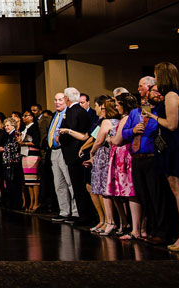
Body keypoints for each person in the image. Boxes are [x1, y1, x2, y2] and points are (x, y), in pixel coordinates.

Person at [146, 62, 179, 252]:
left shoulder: (172, 95)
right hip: (169, 145)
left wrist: (153, 117)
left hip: (174, 145)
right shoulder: (170, 95)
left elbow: (172, 124)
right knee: (176, 190)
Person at [119, 77, 167, 245]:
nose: (144, 101)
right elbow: (124, 133)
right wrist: (132, 130)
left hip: (152, 157)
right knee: (143, 196)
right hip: (136, 158)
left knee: (156, 195)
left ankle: (161, 230)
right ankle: (150, 228)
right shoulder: (134, 113)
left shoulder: (159, 113)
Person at [59, 86, 94, 226]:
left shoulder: (73, 111)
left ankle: (84, 215)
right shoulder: (81, 110)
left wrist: (61, 138)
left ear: (66, 98)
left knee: (78, 185)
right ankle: (84, 214)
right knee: (80, 185)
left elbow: (72, 130)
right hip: (78, 152)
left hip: (74, 153)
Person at [108, 94, 138, 239]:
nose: (116, 107)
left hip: (124, 155)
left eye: (118, 104)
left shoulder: (126, 118)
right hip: (120, 155)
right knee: (122, 192)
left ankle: (135, 228)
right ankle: (128, 224)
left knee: (129, 191)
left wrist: (111, 139)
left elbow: (118, 139)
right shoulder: (125, 118)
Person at [86, 98, 117, 235]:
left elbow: (98, 140)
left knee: (103, 189)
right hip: (107, 154)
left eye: (102, 108)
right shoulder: (106, 121)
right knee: (99, 188)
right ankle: (106, 221)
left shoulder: (107, 121)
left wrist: (91, 151)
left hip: (104, 155)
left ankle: (109, 221)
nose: (100, 110)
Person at [48, 92, 77, 223]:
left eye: (60, 99)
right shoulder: (56, 114)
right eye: (55, 100)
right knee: (58, 183)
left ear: (66, 100)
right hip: (54, 151)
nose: (57, 102)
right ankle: (64, 211)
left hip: (64, 150)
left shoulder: (68, 114)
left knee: (70, 181)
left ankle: (75, 212)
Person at [19, 110, 41, 212]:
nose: (24, 118)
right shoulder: (24, 128)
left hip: (33, 154)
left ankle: (36, 201)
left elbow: (36, 142)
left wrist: (24, 143)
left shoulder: (34, 127)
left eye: (26, 116)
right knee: (28, 181)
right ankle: (31, 201)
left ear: (32, 117)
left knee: (34, 180)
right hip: (25, 154)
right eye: (23, 116)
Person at [1, 118, 23, 209]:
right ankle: (12, 203)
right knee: (9, 184)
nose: (6, 127)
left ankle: (16, 204)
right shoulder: (8, 135)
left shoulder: (16, 134)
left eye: (8, 125)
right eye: (5, 126)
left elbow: (16, 147)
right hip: (8, 163)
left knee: (14, 184)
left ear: (13, 125)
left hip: (14, 163)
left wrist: (4, 149)